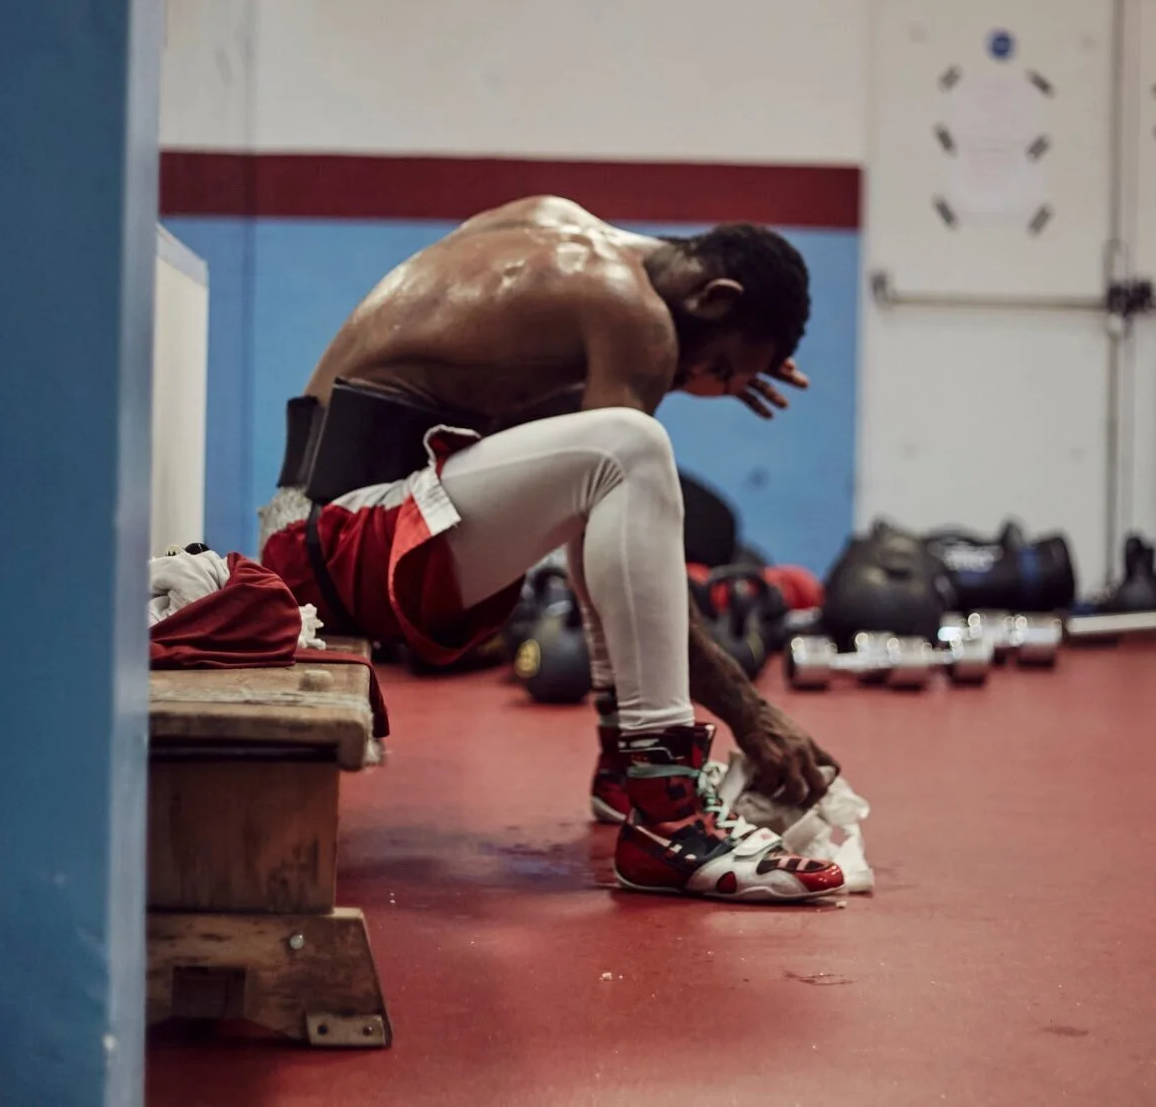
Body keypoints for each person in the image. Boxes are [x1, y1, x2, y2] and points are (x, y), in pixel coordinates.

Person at [259, 194, 846, 904]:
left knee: (608, 464)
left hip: (319, 528)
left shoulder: (557, 226)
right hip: (342, 545)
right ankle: (669, 816)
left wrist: (730, 355)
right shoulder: (639, 317)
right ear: (714, 298)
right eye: (719, 369)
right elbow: (619, 459)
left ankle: (628, 772)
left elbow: (577, 475)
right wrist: (752, 713)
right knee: (633, 449)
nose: (706, 386)